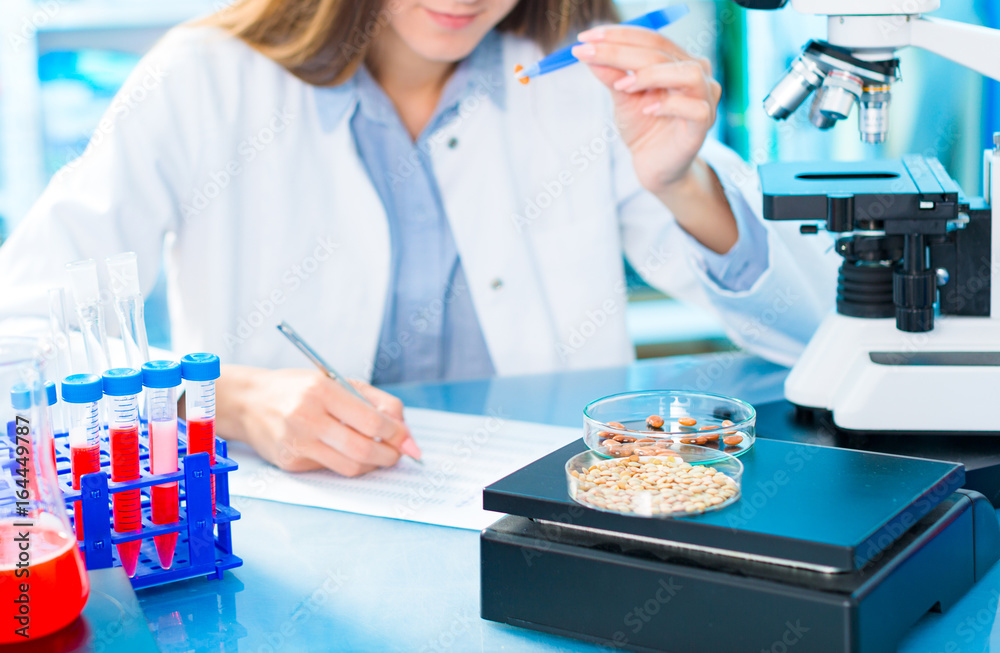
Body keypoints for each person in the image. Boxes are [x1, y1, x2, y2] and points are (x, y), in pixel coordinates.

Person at [0, 0, 829, 477]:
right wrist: (232, 404)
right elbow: (20, 346)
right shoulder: (203, 80)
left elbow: (815, 334)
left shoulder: (578, 78)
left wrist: (682, 183)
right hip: (283, 545)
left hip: (547, 518)